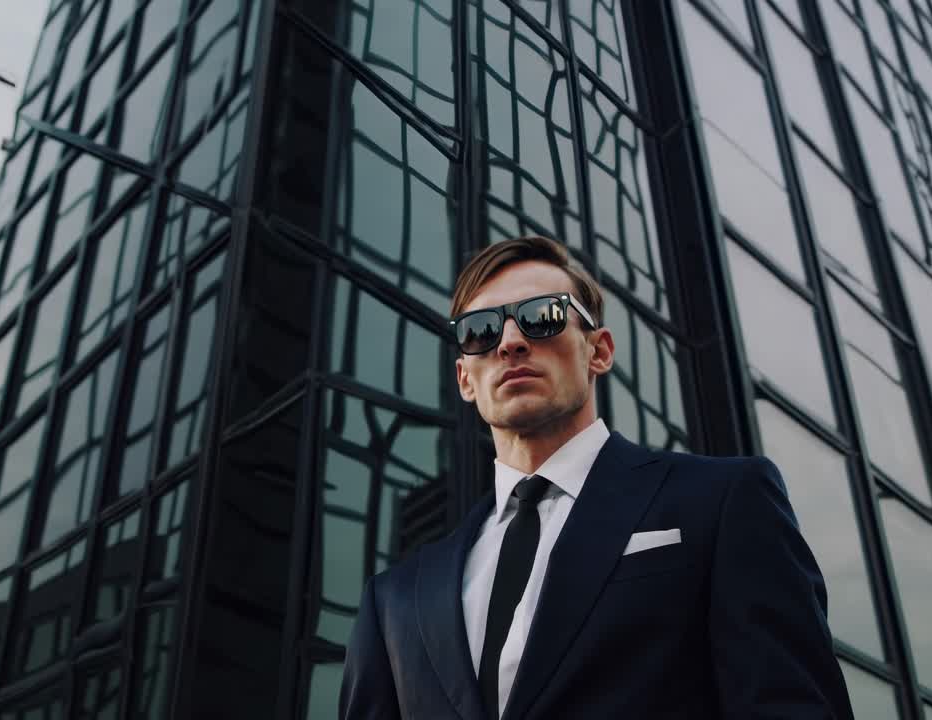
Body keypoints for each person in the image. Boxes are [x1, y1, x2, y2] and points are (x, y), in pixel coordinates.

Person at [339, 236, 854, 719]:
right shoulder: (394, 600)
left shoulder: (722, 502)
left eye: (542, 317)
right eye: (482, 331)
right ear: (464, 379)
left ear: (599, 351)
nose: (511, 342)